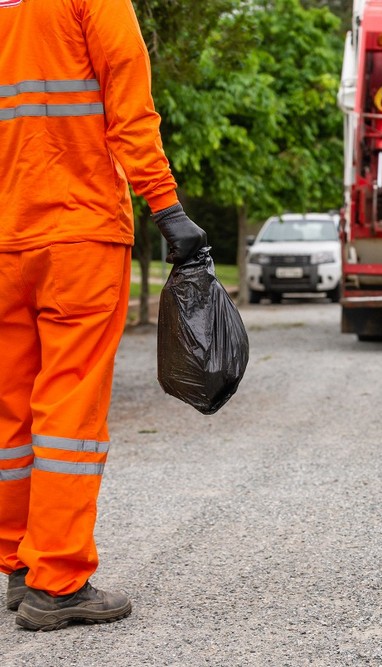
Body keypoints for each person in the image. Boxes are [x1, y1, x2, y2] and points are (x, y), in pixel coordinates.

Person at [1, 0, 207, 631]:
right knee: (69, 407)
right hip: (78, 233)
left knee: (9, 409)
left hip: (5, 236)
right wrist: (167, 208)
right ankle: (57, 581)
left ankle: (17, 563)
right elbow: (129, 106)